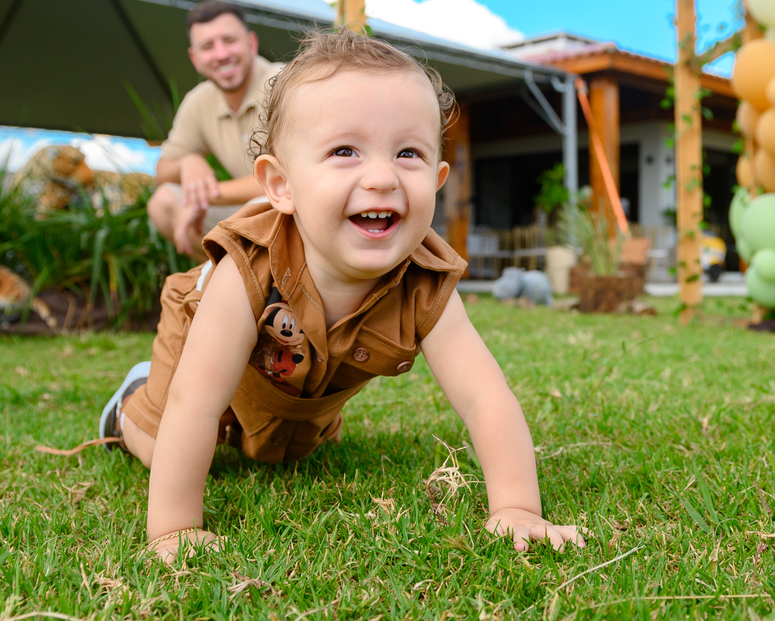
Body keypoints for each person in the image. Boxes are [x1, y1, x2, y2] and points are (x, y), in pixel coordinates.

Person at [99, 30, 586, 560]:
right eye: (345, 151)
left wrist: (516, 508)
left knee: (285, 453)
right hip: (201, 339)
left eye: (408, 153)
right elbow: (194, 401)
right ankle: (126, 407)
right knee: (171, 443)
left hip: (302, 381)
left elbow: (484, 396)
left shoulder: (425, 281)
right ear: (281, 185)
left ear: (437, 178)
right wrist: (174, 529)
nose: (382, 177)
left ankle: (289, 423)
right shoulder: (246, 268)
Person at [148, 1, 283, 259]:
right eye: (208, 46)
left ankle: (244, 277)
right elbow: (162, 172)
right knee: (164, 201)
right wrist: (188, 162)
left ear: (251, 43)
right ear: (195, 59)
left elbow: (287, 177)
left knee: (263, 205)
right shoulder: (199, 100)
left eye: (229, 40)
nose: (221, 54)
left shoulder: (285, 82)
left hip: (293, 210)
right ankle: (229, 276)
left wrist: (205, 197)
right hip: (246, 216)